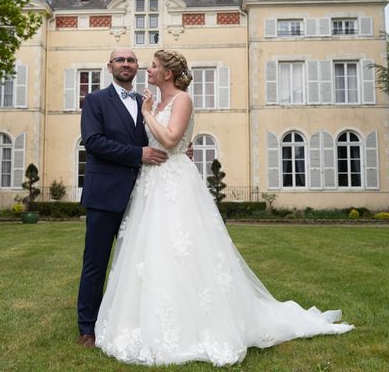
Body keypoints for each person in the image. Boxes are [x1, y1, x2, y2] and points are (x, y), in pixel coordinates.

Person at [94, 49, 354, 366]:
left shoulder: (180, 100)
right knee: (150, 250)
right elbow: (151, 142)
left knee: (183, 247)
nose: (148, 70)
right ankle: (144, 320)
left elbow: (173, 140)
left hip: (175, 181)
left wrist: (148, 114)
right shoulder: (157, 102)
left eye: (155, 66)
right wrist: (150, 117)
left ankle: (198, 323)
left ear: (167, 74)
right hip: (151, 183)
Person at [76, 47, 172, 348]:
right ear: (110, 66)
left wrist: (175, 149)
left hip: (142, 196)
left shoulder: (147, 102)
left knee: (137, 263)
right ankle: (88, 328)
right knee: (96, 263)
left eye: (131, 60)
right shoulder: (95, 101)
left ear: (137, 67)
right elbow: (93, 143)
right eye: (121, 60)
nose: (126, 64)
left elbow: (154, 141)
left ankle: (131, 321)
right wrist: (138, 154)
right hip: (104, 196)